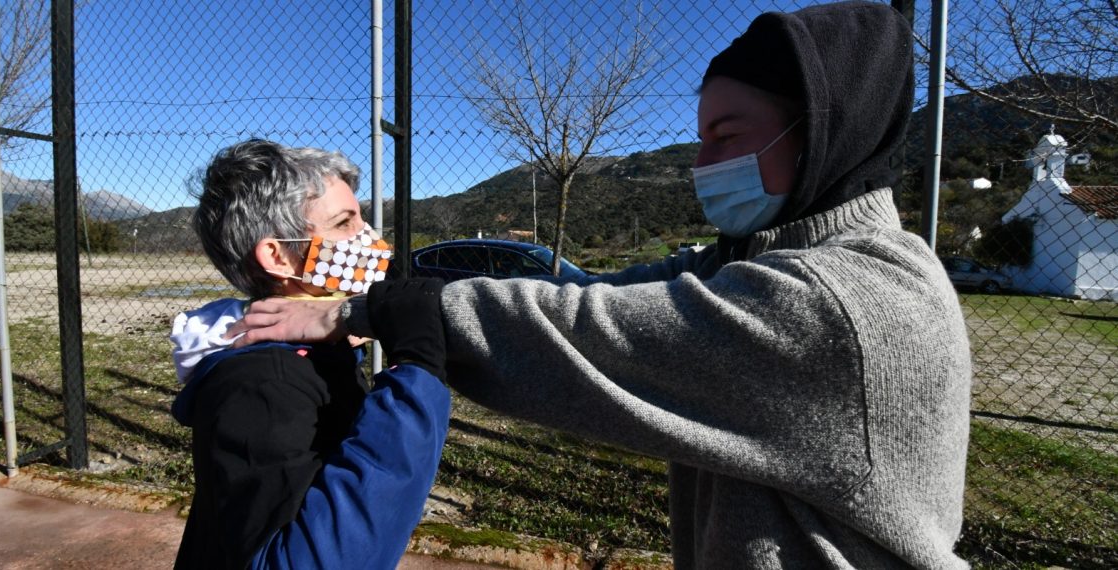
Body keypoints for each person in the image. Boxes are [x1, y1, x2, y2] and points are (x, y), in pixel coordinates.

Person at [228, 2, 972, 568]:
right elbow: (602, 298)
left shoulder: (842, 303)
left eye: (728, 137)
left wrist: (389, 315)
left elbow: (586, 335)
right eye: (701, 136)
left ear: (820, 137)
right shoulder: (759, 260)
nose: (702, 162)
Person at [169, 139, 451, 569]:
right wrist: (416, 372)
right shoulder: (264, 385)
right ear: (278, 256)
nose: (370, 240)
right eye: (344, 223)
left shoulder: (317, 353)